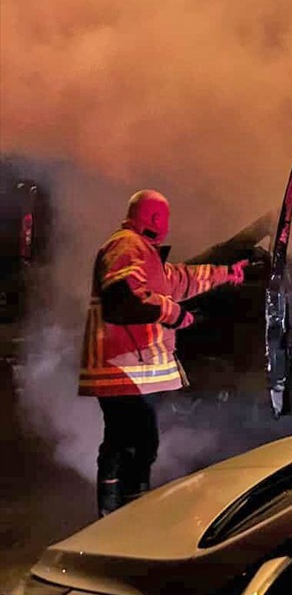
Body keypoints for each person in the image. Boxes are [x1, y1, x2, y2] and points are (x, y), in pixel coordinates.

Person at [78, 189, 247, 517]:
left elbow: (180, 279)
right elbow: (125, 298)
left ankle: (123, 509)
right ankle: (122, 513)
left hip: (128, 368)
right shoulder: (127, 246)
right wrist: (174, 314)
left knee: (134, 440)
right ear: (156, 218)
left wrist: (226, 274)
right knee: (132, 441)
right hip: (123, 367)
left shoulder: (141, 251)